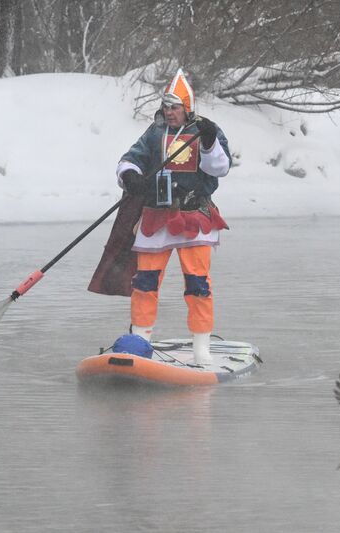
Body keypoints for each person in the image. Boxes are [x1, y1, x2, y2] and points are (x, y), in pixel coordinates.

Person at [90, 68, 231, 365]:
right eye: (166, 106)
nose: (169, 112)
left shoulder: (207, 131)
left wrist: (207, 143)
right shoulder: (154, 133)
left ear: (187, 108)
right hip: (156, 217)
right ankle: (140, 341)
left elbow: (220, 167)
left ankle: (201, 346)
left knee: (198, 284)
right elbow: (129, 160)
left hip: (194, 217)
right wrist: (131, 177)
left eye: (175, 107)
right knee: (145, 282)